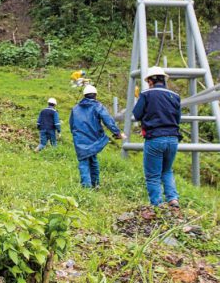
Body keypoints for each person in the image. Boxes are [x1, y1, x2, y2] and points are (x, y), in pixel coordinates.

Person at [132, 66, 183, 207]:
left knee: (153, 175)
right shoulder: (175, 96)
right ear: (164, 79)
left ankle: (157, 205)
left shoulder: (146, 94)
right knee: (167, 170)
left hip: (155, 138)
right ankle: (173, 199)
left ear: (150, 81)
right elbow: (178, 118)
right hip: (173, 139)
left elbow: (136, 115)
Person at [70, 85, 121, 189]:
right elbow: (108, 120)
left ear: (84, 95)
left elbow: (71, 125)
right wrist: (117, 132)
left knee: (83, 162)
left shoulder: (75, 108)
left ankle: (86, 187)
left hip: (80, 140)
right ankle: (95, 184)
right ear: (95, 95)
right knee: (93, 160)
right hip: (94, 139)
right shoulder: (98, 106)